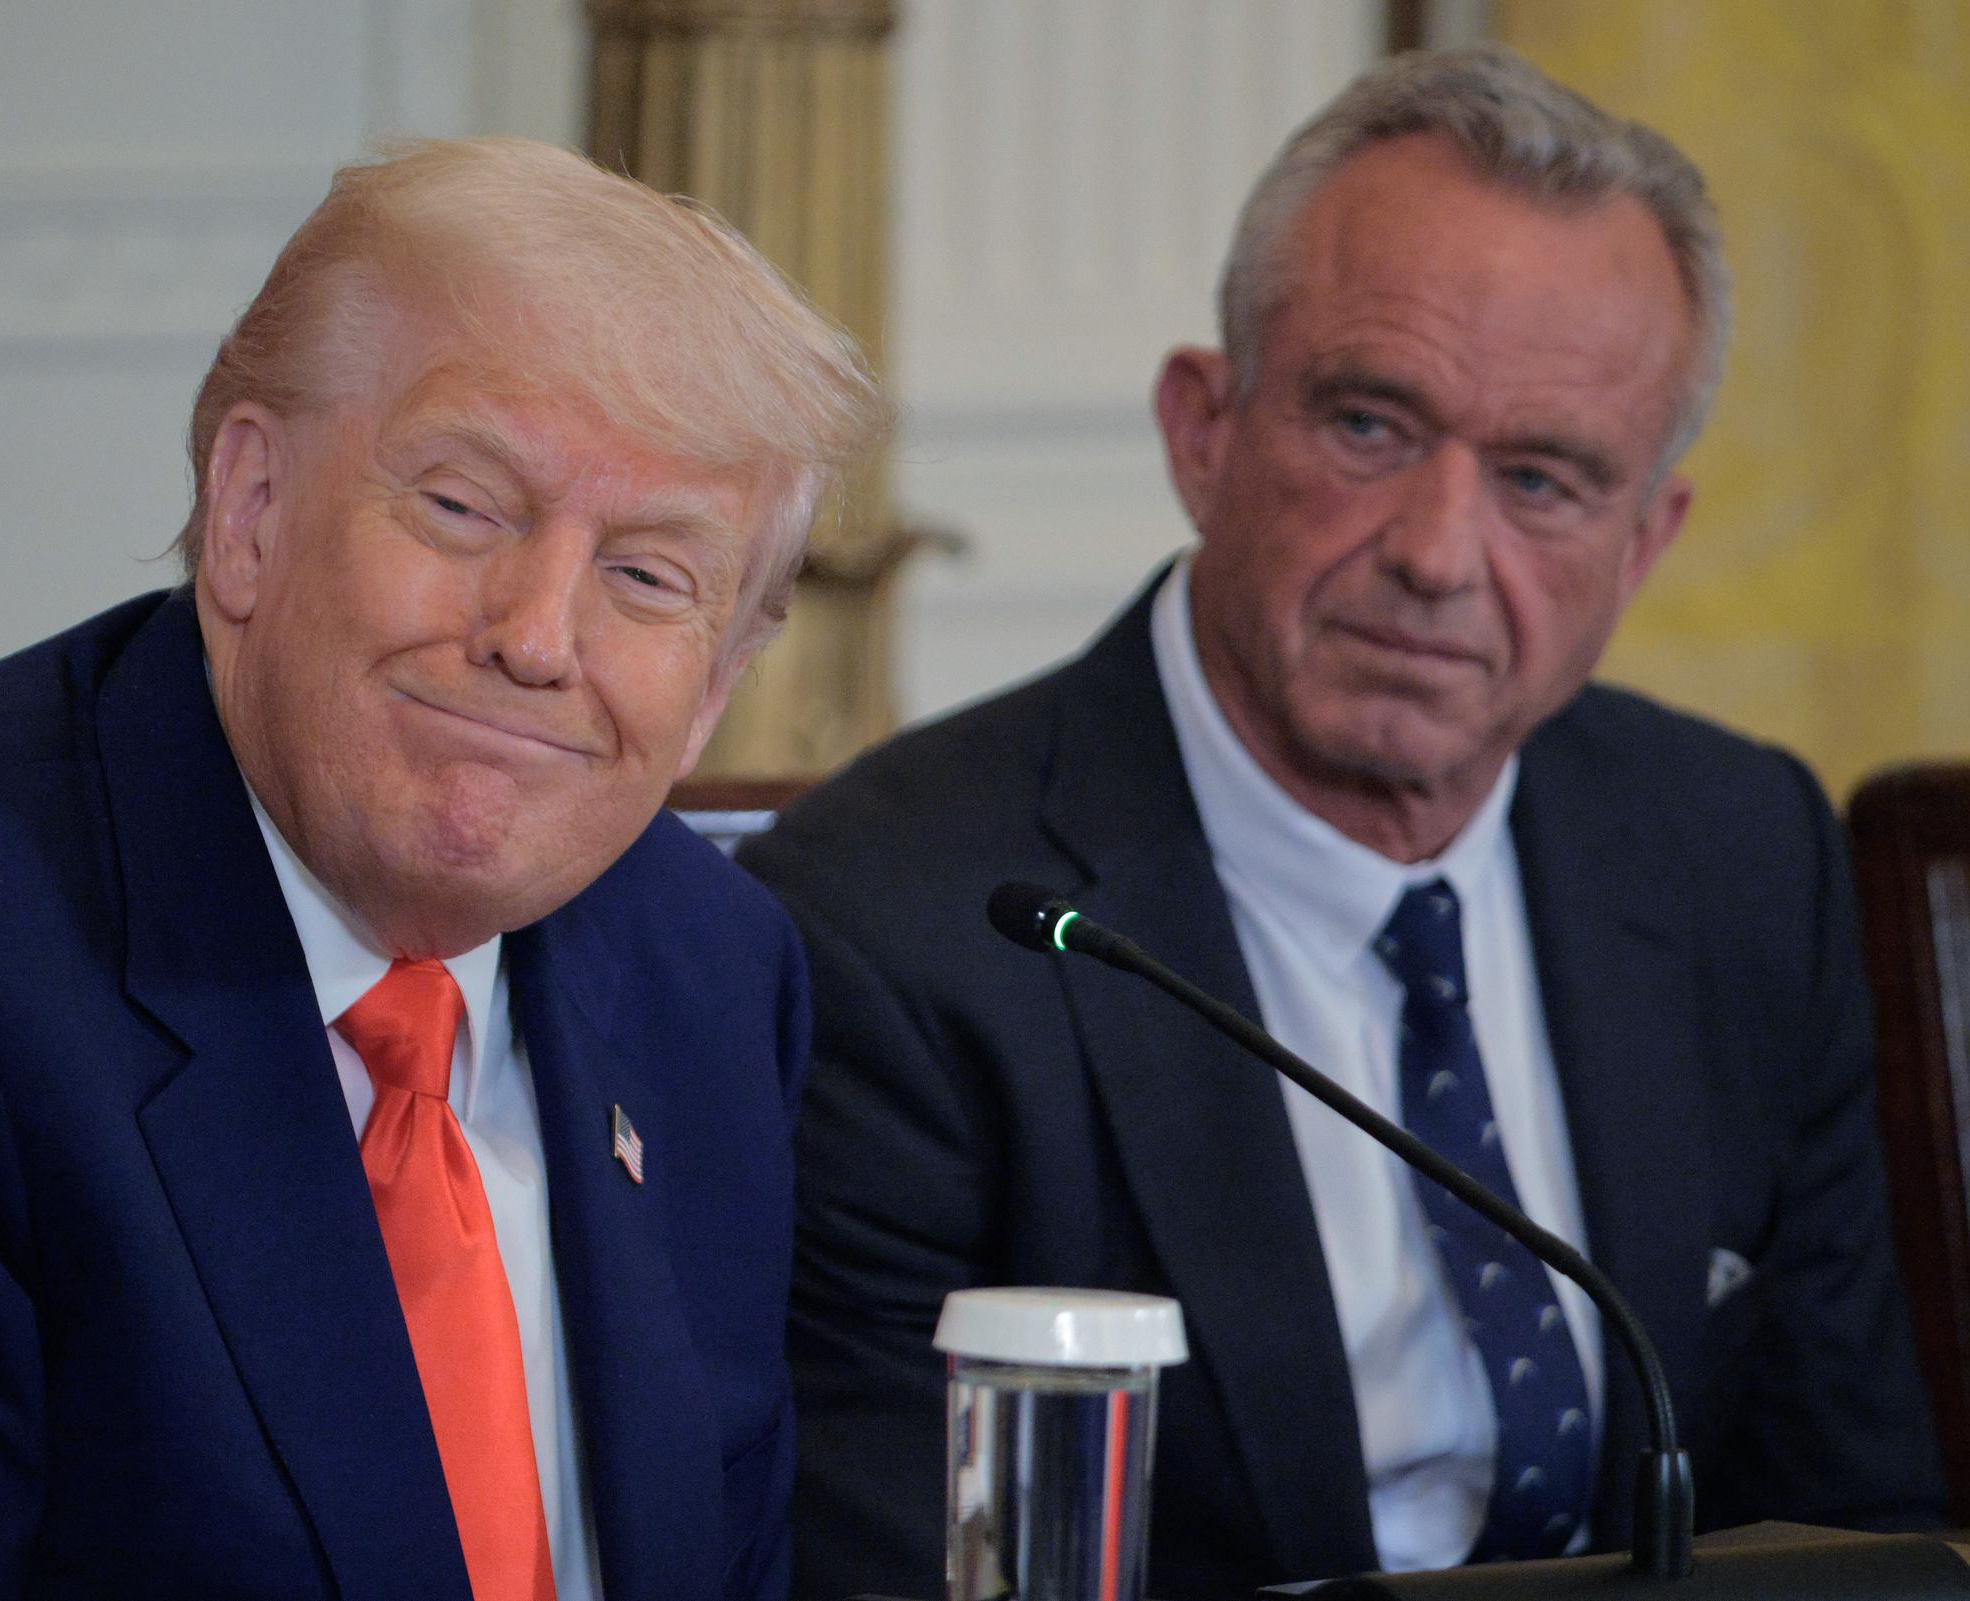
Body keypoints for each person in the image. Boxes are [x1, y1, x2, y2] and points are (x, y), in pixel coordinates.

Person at [0, 137, 885, 1601]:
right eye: (465, 505)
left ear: (718, 681)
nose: (537, 634)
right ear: (251, 508)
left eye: (648, 575)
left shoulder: (709, 971)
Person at [739, 46, 1946, 1601]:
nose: (1440, 553)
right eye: (1371, 426)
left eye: (1543, 477)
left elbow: (1859, 1534)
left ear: (1646, 544)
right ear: (1204, 428)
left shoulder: (1736, 853)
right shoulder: (898, 927)